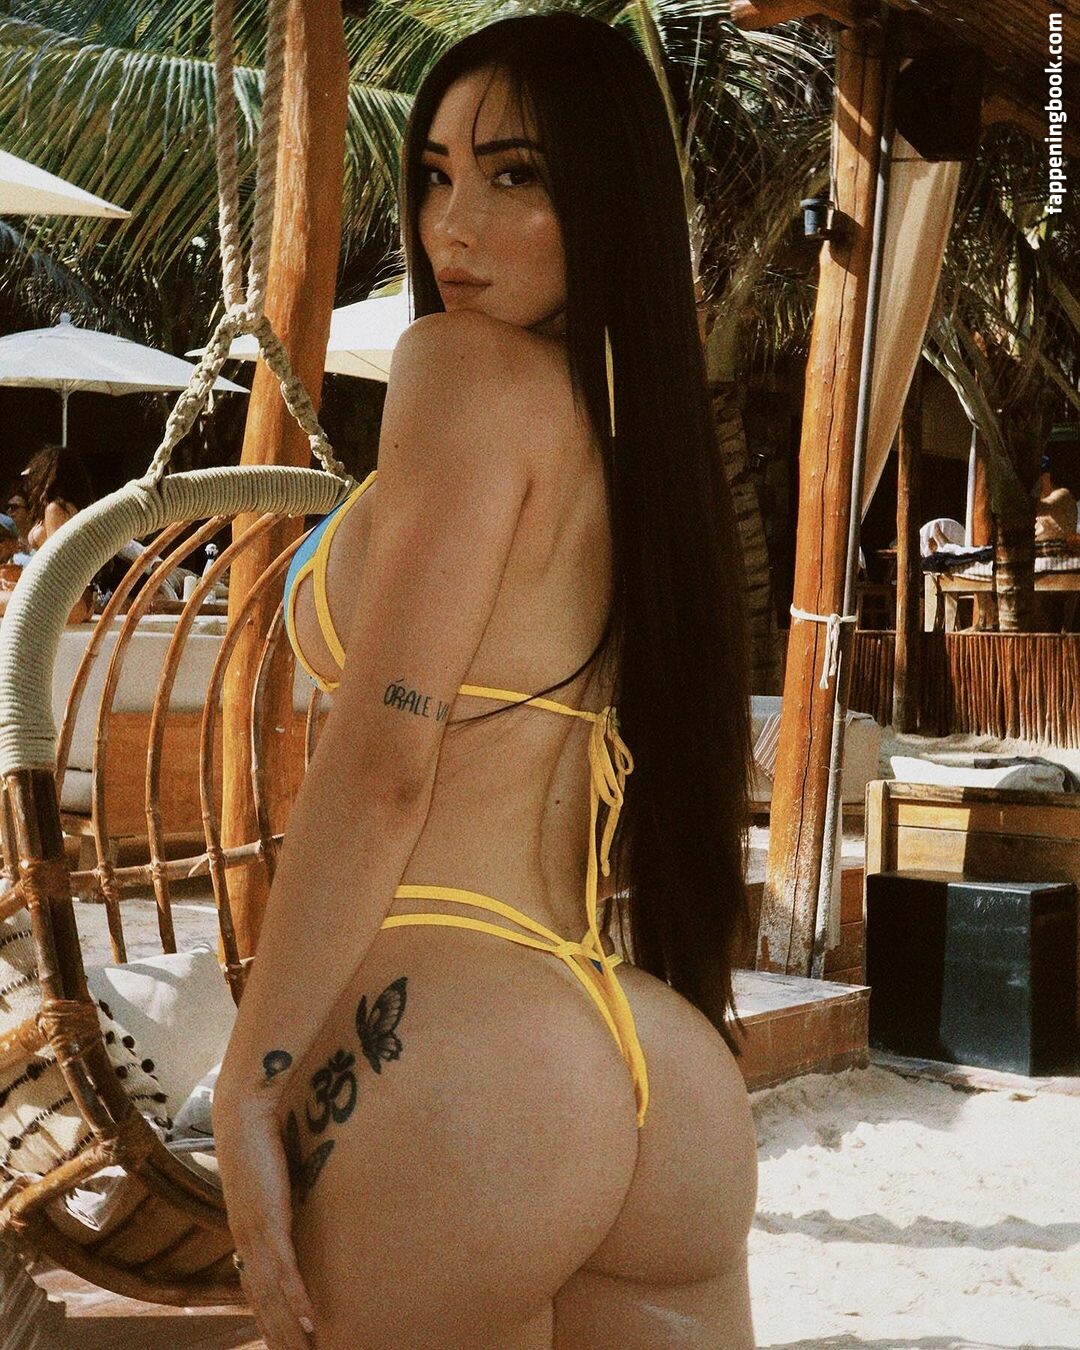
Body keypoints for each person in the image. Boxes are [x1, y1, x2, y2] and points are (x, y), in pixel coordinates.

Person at [213, 14, 757, 1348]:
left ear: (607, 196)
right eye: (437, 175)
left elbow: (385, 763)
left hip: (454, 1049)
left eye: (516, 175)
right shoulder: (636, 434)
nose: (453, 226)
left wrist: (249, 1083)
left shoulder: (459, 372)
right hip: (651, 1062)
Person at [0, 447, 96, 623]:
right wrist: (21, 587)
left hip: (65, 602)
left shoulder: (56, 509)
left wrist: (25, 590)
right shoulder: (69, 508)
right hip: (74, 599)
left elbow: (58, 567)